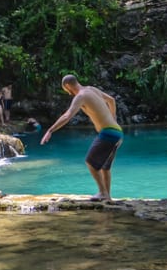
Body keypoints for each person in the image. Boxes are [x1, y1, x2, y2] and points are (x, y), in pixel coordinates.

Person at [40, 74, 122, 202]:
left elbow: (67, 116)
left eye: (66, 90)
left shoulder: (81, 96)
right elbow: (111, 100)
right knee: (105, 167)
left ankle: (102, 192)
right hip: (118, 132)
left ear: (67, 86)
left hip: (108, 133)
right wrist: (113, 118)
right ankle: (108, 197)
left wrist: (50, 130)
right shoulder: (92, 89)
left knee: (90, 162)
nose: (68, 93)